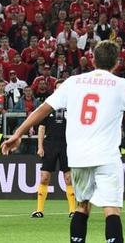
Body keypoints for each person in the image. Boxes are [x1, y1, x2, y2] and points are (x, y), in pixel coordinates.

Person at [1, 40, 125, 243]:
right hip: (106, 156)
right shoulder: (122, 85)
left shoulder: (73, 82)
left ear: (93, 60)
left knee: (82, 207)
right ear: (116, 62)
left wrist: (18, 133)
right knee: (112, 209)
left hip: (78, 157)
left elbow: (42, 109)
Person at [31, 79, 76, 218]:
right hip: (50, 144)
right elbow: (42, 127)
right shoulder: (49, 106)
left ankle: (73, 211)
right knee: (44, 177)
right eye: (58, 88)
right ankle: (39, 210)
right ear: (55, 90)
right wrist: (40, 146)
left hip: (67, 144)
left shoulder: (73, 106)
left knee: (68, 178)